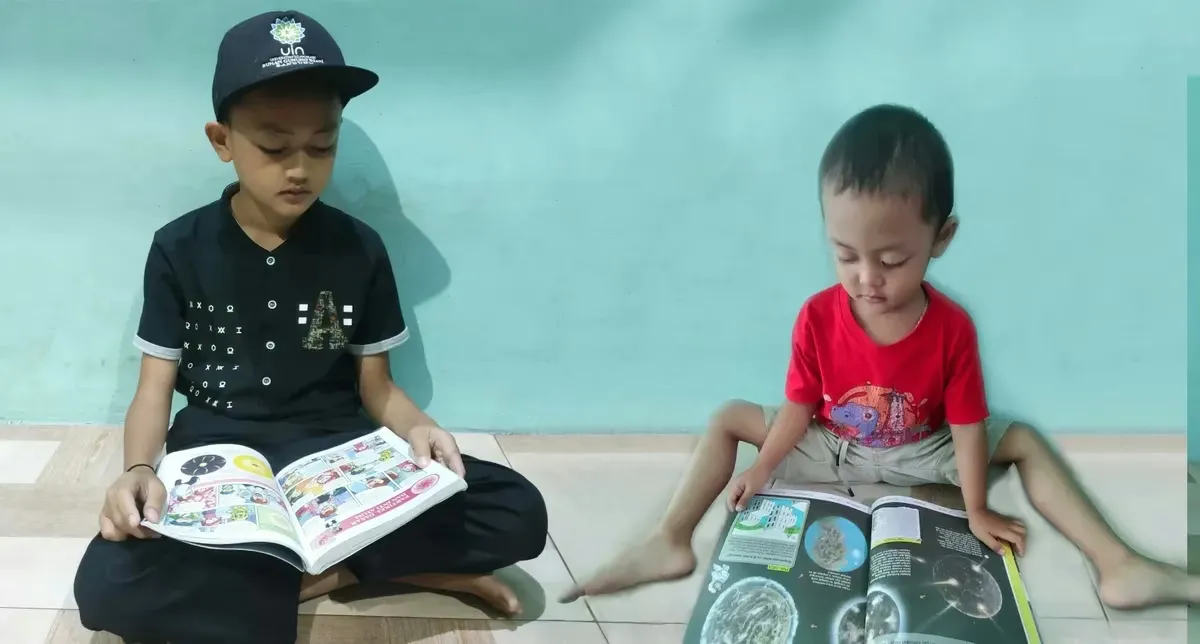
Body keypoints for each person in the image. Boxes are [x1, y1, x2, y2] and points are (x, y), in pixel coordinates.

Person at [561, 104, 1199, 610]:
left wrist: (976, 508)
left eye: (892, 260)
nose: (867, 278)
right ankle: (669, 540)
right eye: (845, 255)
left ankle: (1119, 567)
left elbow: (969, 425)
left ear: (940, 238)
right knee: (730, 415)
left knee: (1023, 439)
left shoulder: (951, 328)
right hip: (834, 443)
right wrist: (765, 467)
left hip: (922, 448)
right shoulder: (816, 315)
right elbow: (796, 408)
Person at [72, 11, 547, 644]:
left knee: (515, 508)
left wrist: (422, 430)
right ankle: (382, 568)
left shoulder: (359, 248)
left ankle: (307, 576)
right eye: (273, 147)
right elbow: (154, 386)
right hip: (221, 458)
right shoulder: (179, 247)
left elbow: (376, 387)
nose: (299, 168)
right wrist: (137, 469)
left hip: (336, 454)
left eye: (322, 146)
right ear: (222, 141)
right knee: (107, 586)